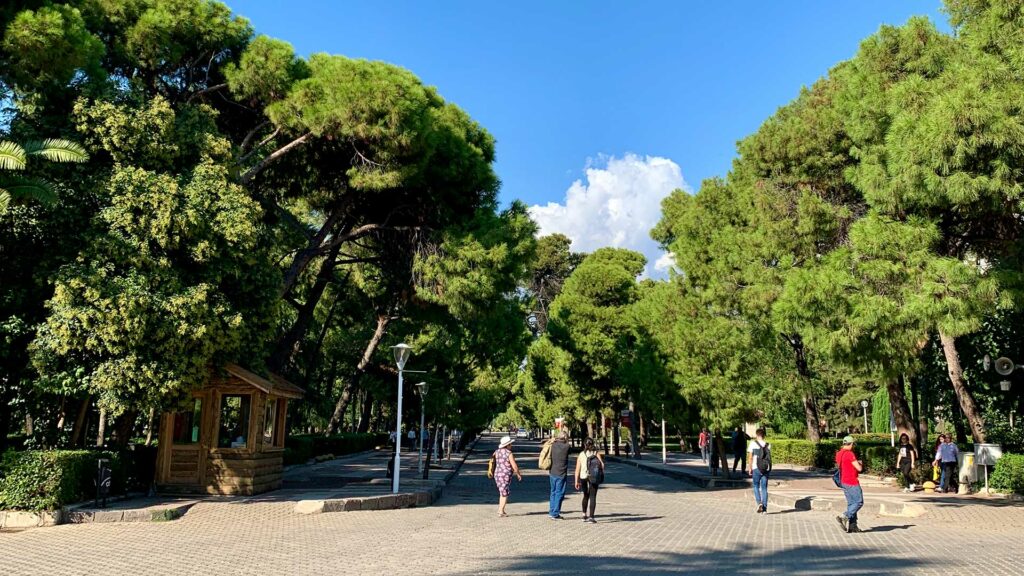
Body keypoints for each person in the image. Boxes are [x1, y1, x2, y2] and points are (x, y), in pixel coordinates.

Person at [835, 435, 864, 533]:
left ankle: (853, 525)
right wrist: (860, 463)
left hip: (843, 481)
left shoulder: (839, 453)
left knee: (852, 503)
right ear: (851, 444)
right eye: (853, 444)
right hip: (851, 481)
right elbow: (859, 468)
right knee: (859, 502)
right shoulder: (849, 454)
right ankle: (844, 516)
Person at [575, 437, 604, 523]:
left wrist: (576, 481)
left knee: (585, 495)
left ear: (584, 444)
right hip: (593, 477)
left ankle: (584, 515)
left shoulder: (581, 454)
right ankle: (591, 517)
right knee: (593, 496)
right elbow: (602, 465)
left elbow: (577, 470)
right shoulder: (596, 453)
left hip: (583, 477)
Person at [493, 435, 522, 516]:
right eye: (510, 444)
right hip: (505, 475)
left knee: (502, 492)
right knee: (504, 493)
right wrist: (518, 474)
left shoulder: (497, 452)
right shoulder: (509, 453)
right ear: (507, 445)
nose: (511, 446)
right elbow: (514, 465)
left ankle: (500, 509)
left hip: (497, 474)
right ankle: (501, 511)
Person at [548, 430, 571, 519]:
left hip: (552, 471)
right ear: (565, 438)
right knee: (559, 493)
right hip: (561, 473)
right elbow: (570, 450)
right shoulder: (567, 446)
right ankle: (555, 513)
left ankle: (551, 510)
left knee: (553, 492)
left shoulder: (553, 445)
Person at [748, 428, 770, 514]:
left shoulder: (753, 444)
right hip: (765, 469)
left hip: (756, 468)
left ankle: (759, 503)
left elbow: (750, 457)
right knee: (764, 488)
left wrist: (750, 468)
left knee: (756, 486)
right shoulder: (768, 445)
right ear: (764, 435)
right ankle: (764, 509)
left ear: (757, 435)